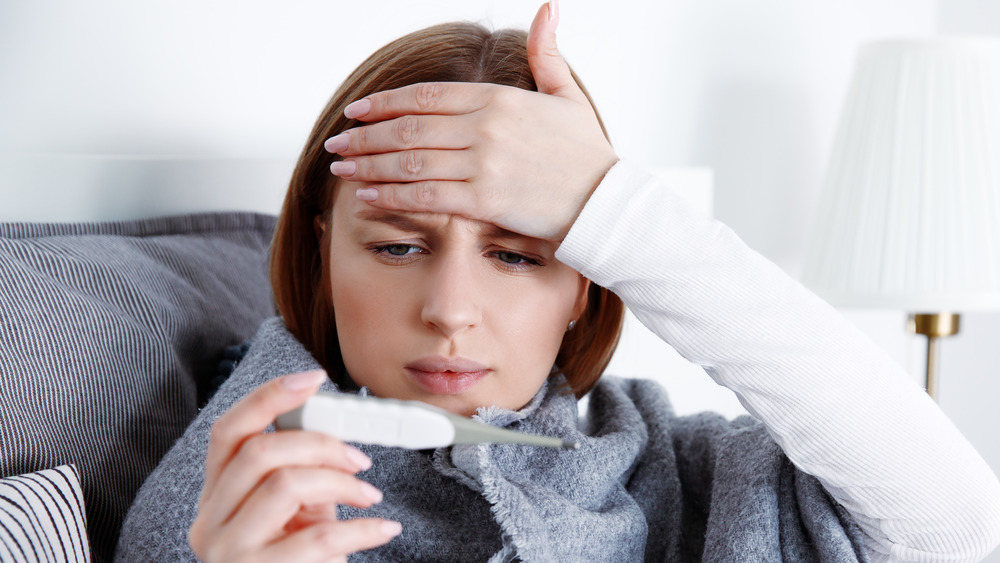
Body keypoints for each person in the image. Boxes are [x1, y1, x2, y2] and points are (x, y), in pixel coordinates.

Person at [116, 2, 1000, 561]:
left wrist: (615, 209)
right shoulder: (234, 506)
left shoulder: (686, 472)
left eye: (517, 254)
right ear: (322, 253)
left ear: (588, 281)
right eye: (395, 248)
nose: (450, 311)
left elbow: (957, 528)